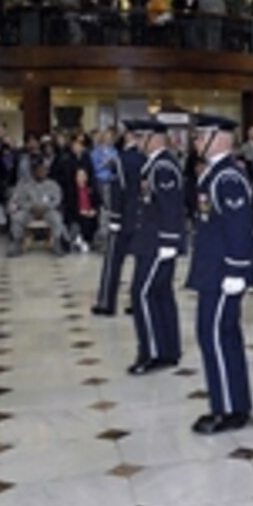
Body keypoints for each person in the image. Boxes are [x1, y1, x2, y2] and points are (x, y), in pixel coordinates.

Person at [186, 113, 253, 434]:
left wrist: (236, 270)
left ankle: (227, 409)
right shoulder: (214, 175)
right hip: (212, 270)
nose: (196, 141)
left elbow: (239, 227)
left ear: (221, 138)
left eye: (202, 136)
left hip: (222, 273)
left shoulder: (228, 177)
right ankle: (234, 403)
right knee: (222, 336)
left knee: (214, 336)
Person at [127, 119, 185, 375]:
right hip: (150, 241)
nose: (138, 142)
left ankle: (152, 352)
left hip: (157, 243)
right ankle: (168, 349)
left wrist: (170, 242)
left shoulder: (163, 167)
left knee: (142, 294)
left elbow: (171, 206)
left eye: (142, 137)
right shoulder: (153, 165)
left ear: (156, 138)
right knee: (160, 294)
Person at [93, 123, 145, 316]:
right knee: (142, 263)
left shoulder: (120, 160)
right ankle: (137, 301)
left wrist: (114, 218)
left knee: (113, 261)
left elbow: (117, 191)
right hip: (143, 218)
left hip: (123, 217)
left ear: (129, 136)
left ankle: (107, 302)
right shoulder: (146, 159)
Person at [7, 159, 64, 257]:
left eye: (44, 170)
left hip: (47, 210)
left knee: (57, 218)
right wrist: (31, 207)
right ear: (34, 172)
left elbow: (57, 199)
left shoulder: (53, 184)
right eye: (39, 170)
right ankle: (16, 243)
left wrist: (45, 207)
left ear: (47, 172)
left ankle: (57, 243)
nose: (41, 173)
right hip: (29, 210)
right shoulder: (25, 185)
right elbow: (20, 200)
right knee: (17, 218)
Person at [70, 167, 100, 252]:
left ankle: (87, 241)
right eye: (79, 175)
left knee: (93, 221)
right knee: (84, 221)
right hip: (77, 213)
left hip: (90, 212)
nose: (81, 178)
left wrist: (94, 210)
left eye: (83, 175)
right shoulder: (72, 189)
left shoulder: (91, 188)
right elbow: (70, 205)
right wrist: (80, 211)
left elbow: (98, 201)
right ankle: (82, 240)